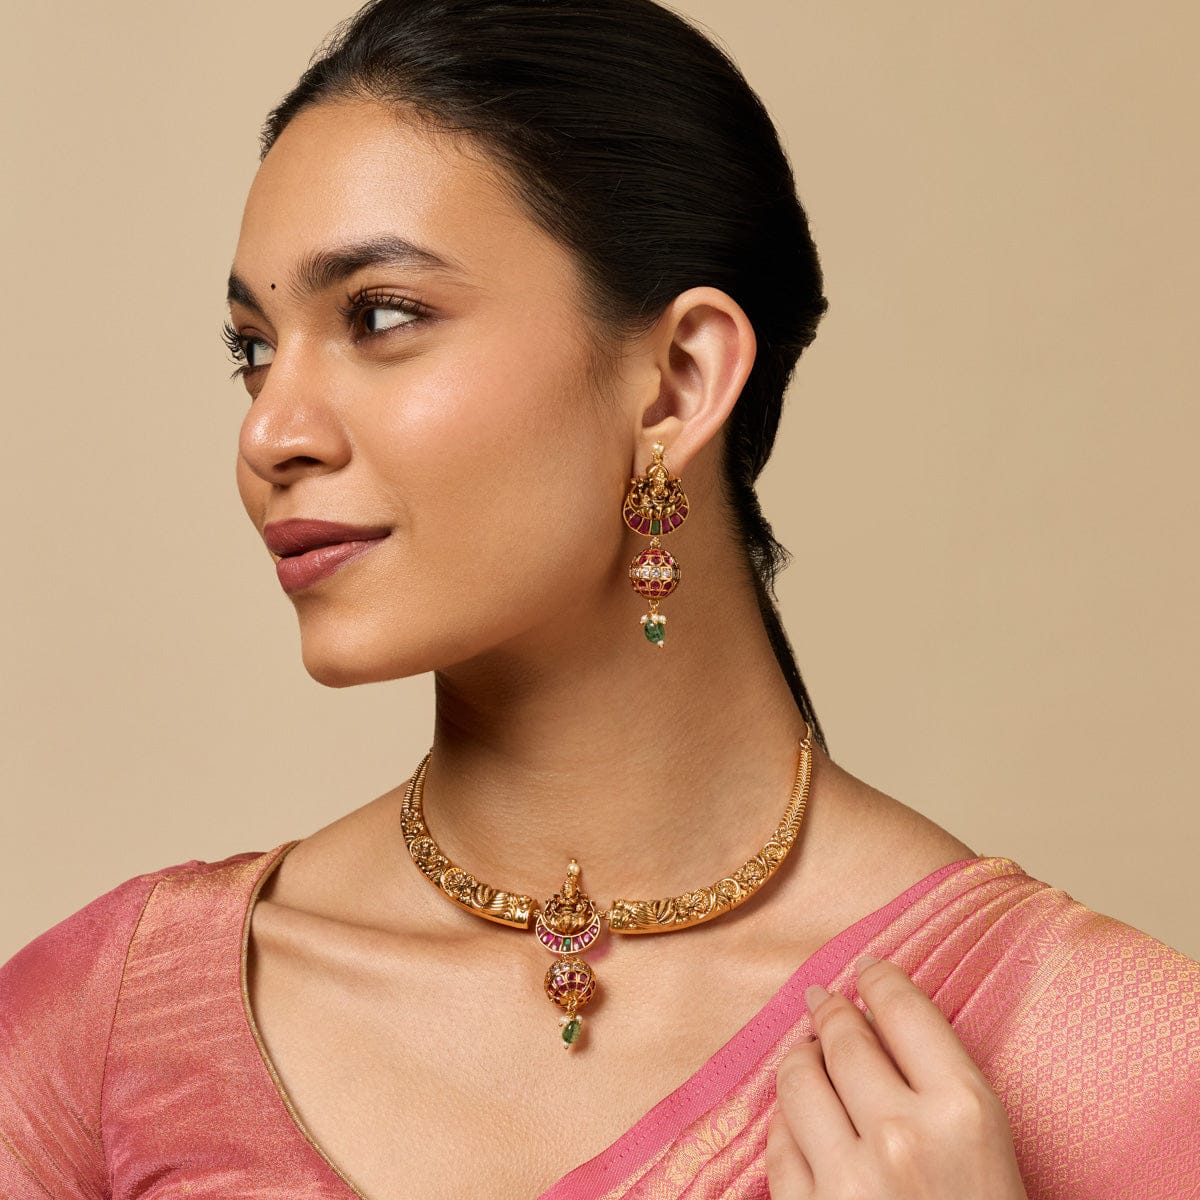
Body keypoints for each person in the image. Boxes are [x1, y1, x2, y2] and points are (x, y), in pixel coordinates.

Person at [2, 1, 1197, 1197]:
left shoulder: (1099, 1060)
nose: (270, 432)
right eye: (254, 349)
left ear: (676, 382)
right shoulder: (112, 1029)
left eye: (380, 316)